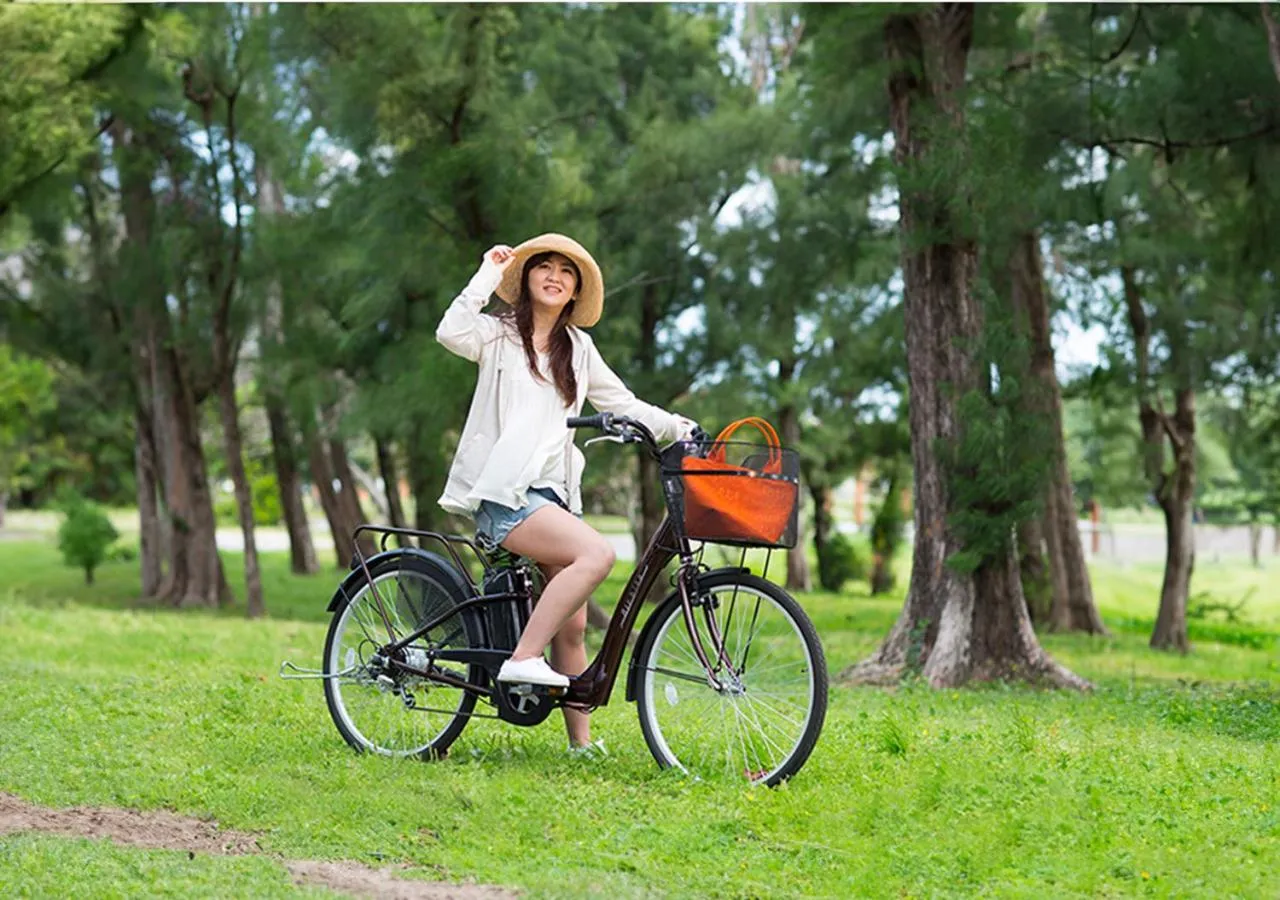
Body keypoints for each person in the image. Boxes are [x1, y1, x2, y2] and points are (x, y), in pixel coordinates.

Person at [435, 233, 695, 750]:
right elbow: (450, 330)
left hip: (552, 497)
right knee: (596, 554)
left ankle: (581, 744)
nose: (555, 276)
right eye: (544, 267)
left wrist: (676, 427)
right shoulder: (497, 336)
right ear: (528, 280)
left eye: (566, 271)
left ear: (575, 289)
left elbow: (622, 401)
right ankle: (521, 660)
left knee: (573, 626)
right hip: (504, 495)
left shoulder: (577, 349)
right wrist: (487, 272)